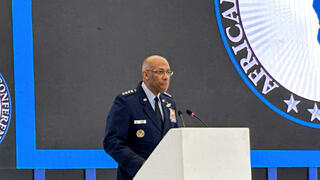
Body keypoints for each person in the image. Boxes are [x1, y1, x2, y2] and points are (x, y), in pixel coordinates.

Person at [103, 55, 178, 180]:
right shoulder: (127, 102)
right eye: (160, 72)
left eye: (168, 72)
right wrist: (141, 165)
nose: (166, 77)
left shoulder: (169, 102)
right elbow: (112, 141)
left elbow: (173, 139)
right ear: (146, 75)